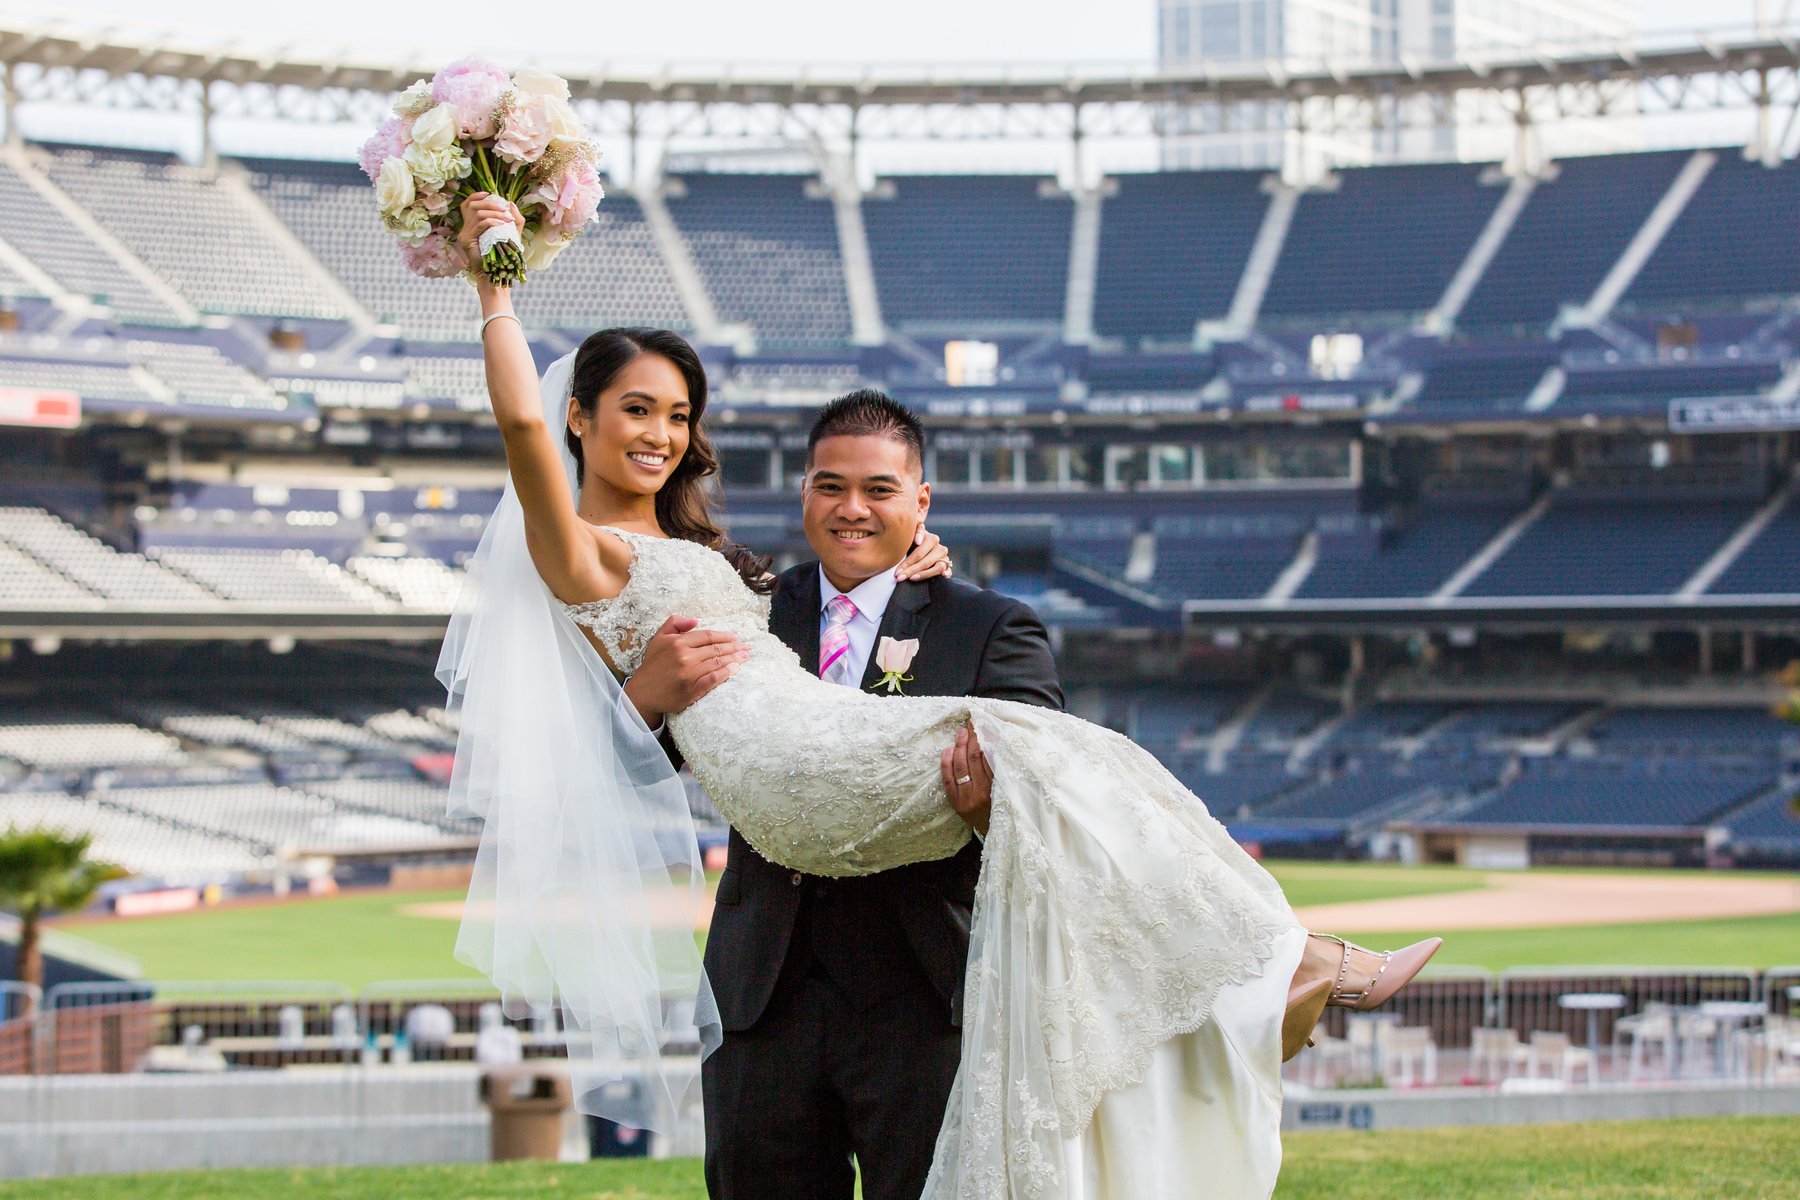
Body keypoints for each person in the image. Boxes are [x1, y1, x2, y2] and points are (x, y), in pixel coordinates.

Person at [441, 194, 1441, 1200]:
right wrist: (495, 285)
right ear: (581, 416)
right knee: (1066, 759)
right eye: (637, 410)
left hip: (916, 1000)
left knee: (1068, 757)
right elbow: (524, 433)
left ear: (919, 504)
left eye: (677, 415)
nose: (661, 434)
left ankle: (1273, 975)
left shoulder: (808, 585)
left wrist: (967, 745)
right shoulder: (596, 552)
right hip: (769, 970)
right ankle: (1286, 973)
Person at [624, 389, 1063, 1200]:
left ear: (921, 503)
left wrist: (987, 813)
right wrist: (641, 699)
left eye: (878, 490)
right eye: (830, 486)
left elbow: (1048, 797)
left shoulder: (992, 629)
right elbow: (642, 756)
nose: (850, 508)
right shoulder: (746, 609)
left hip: (924, 1002)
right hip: (762, 1000)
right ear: (804, 493)